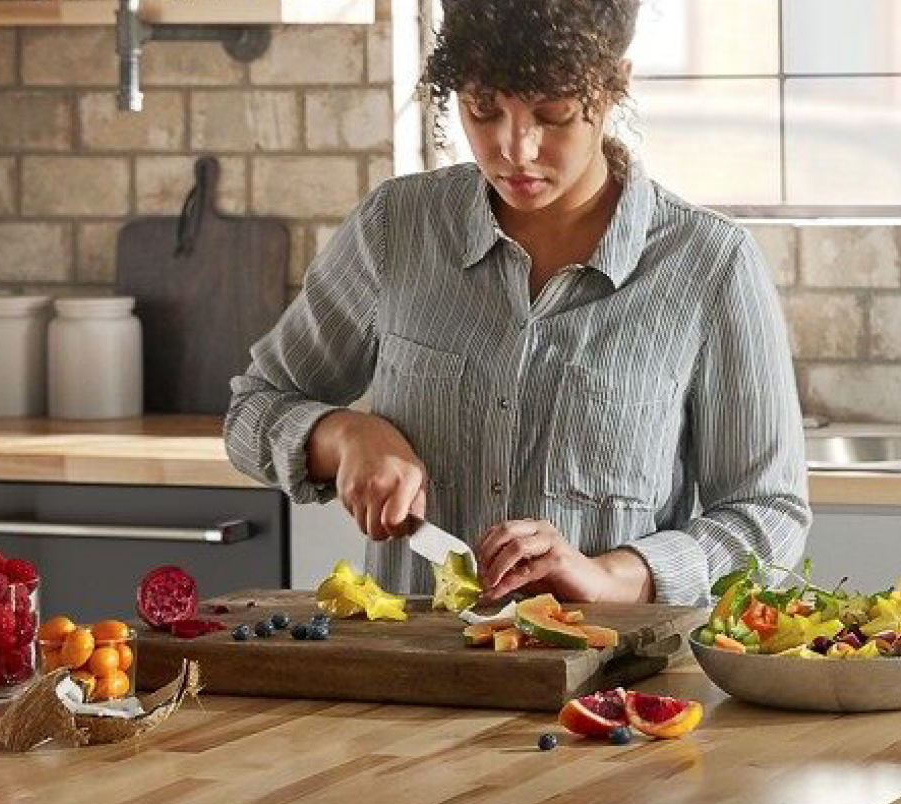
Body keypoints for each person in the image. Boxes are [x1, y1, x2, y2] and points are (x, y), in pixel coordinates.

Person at [224, 0, 806, 607]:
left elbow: (768, 516)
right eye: (484, 110)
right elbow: (252, 412)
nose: (515, 149)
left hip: (611, 687)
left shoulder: (710, 264)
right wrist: (342, 435)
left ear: (614, 88)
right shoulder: (396, 228)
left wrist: (615, 575)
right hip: (415, 684)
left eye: (551, 115)